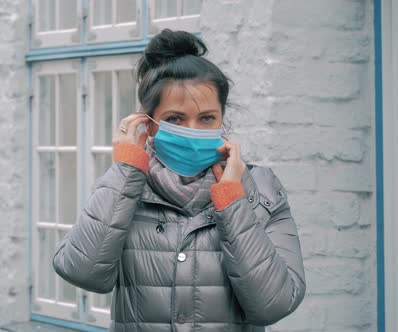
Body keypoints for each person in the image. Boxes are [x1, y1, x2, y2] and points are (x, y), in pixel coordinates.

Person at [53, 29, 306, 332]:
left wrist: (231, 199)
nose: (193, 129)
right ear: (150, 123)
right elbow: (82, 272)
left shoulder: (261, 189)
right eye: (175, 118)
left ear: (221, 118)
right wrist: (126, 170)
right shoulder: (125, 187)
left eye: (207, 118)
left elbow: (274, 304)